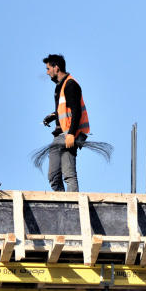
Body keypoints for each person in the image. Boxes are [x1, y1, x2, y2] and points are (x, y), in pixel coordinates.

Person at [42, 54, 90, 192]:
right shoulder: (60, 87)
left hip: (68, 135)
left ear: (56, 68)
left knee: (68, 175)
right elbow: (65, 109)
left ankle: (73, 207)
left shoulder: (70, 85)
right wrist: (53, 115)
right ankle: (63, 205)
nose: (47, 72)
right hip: (59, 136)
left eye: (48, 68)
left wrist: (71, 134)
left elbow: (76, 112)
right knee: (53, 176)